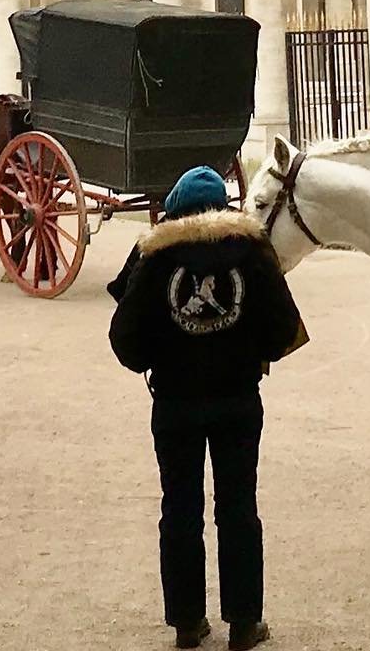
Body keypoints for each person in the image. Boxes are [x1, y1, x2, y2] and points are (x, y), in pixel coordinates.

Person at [109, 167, 305, 651]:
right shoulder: (253, 252)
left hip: (175, 401)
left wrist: (165, 352)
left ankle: (186, 623)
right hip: (238, 399)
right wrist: (246, 348)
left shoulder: (155, 256)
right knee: (239, 507)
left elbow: (126, 343)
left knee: (179, 509)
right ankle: (244, 623)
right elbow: (284, 332)